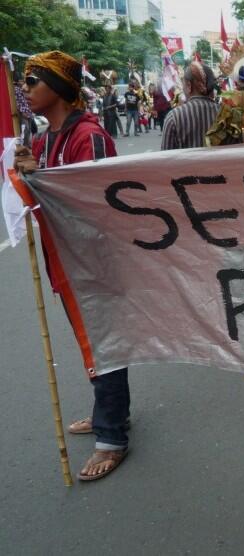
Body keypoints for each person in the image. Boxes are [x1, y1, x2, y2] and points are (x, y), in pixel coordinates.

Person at [13, 51, 128, 482]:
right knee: (90, 342)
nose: (25, 91)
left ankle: (112, 436)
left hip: (94, 261)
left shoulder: (90, 137)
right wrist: (28, 174)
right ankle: (107, 412)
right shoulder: (43, 139)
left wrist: (39, 176)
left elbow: (100, 204)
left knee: (105, 344)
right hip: (64, 258)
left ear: (59, 88)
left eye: (33, 82)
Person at [161, 61, 220, 150]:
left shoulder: (174, 117)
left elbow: (165, 158)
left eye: (183, 83)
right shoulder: (227, 115)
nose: (183, 88)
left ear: (189, 85)